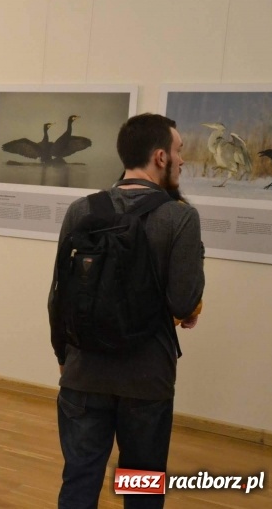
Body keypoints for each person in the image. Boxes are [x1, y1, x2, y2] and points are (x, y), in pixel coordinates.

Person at [48, 113, 205, 509]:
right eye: (179, 150)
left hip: (83, 375)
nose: (182, 159)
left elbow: (58, 297)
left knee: (80, 483)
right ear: (159, 157)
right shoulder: (179, 216)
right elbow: (184, 300)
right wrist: (188, 309)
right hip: (147, 379)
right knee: (141, 489)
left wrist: (65, 358)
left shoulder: (81, 209)